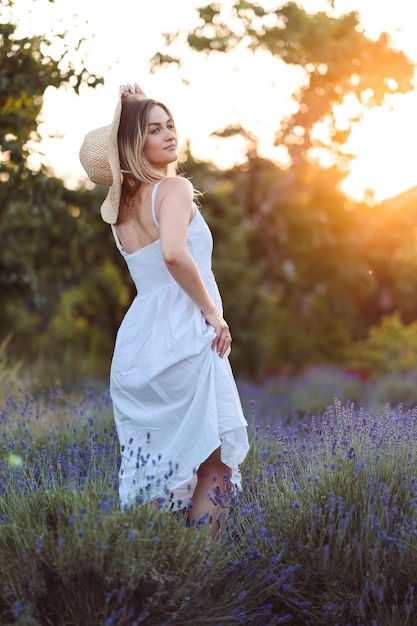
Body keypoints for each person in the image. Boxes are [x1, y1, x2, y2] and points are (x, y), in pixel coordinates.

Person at [79, 82, 249, 537]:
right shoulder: (173, 187)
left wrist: (132, 105)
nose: (170, 134)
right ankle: (196, 579)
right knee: (215, 468)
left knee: (155, 470)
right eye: (155, 130)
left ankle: (152, 577)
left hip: (140, 341)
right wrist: (212, 312)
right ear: (136, 144)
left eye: (170, 124)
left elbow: (152, 267)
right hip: (184, 331)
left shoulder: (118, 215)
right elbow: (174, 254)